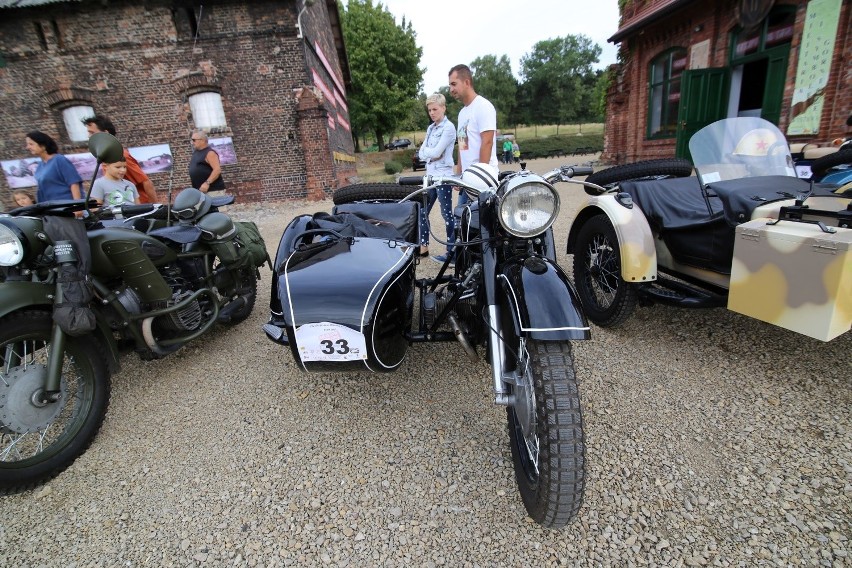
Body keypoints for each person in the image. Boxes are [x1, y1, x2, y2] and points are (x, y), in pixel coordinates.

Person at [448, 64, 498, 206]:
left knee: (481, 226)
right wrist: (458, 174)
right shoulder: (462, 113)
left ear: (467, 82)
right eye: (449, 85)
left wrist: (480, 179)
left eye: (454, 84)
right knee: (462, 224)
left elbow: (487, 142)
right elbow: (462, 146)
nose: (451, 90)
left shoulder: (483, 106)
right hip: (466, 181)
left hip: (483, 182)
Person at [417, 93, 457, 263]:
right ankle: (423, 246)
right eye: (429, 110)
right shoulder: (431, 128)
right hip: (430, 176)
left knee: (446, 214)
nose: (432, 113)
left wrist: (430, 155)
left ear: (443, 108)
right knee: (422, 210)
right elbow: (422, 154)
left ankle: (451, 250)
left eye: (435, 109)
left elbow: (437, 152)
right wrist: (429, 155)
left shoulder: (448, 128)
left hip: (443, 176)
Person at [83, 115, 158, 203]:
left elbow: (146, 182)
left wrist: (156, 208)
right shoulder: (105, 156)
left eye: (92, 133)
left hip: (136, 208)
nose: (89, 136)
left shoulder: (121, 155)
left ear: (105, 133)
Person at [26, 131, 83, 203]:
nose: (28, 147)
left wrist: (77, 205)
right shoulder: (40, 166)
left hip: (67, 206)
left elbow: (74, 183)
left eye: (31, 144)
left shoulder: (59, 160)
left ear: (43, 145)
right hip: (52, 208)